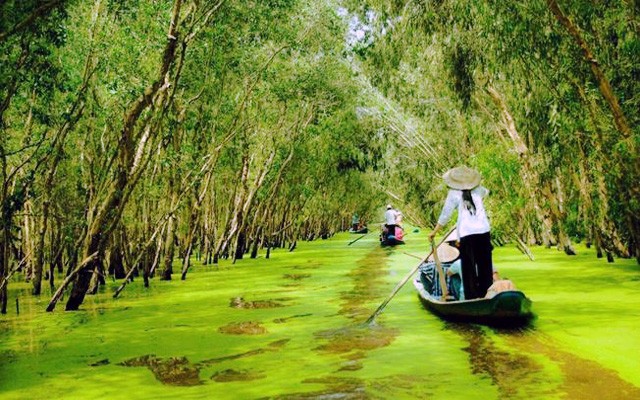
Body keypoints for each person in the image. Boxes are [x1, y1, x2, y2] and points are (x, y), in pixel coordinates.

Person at [428, 166, 493, 299]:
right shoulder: (478, 190)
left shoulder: (454, 193)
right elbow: (487, 192)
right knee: (485, 266)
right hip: (483, 231)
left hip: (467, 234)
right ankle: (487, 295)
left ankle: (472, 298)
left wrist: (434, 231)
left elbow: (446, 214)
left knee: (468, 268)